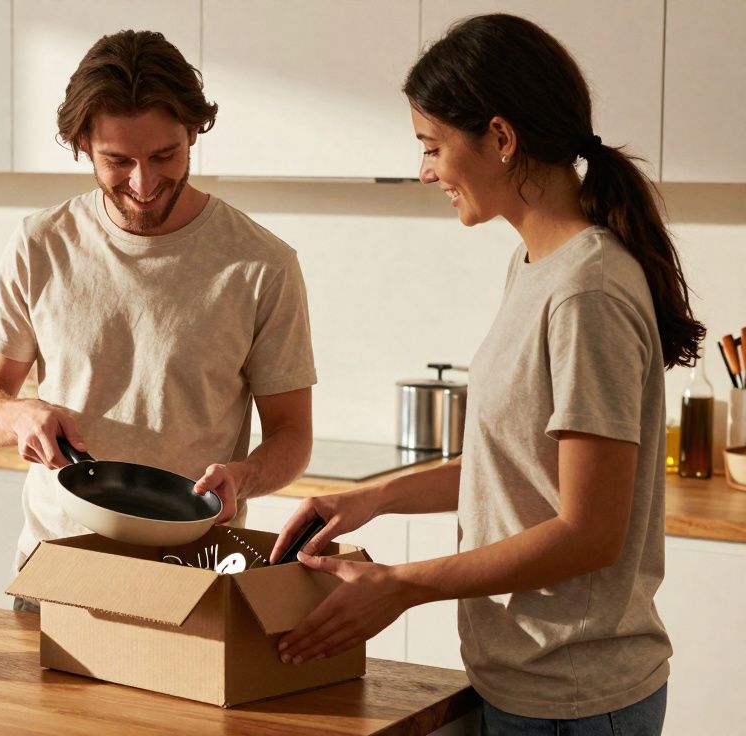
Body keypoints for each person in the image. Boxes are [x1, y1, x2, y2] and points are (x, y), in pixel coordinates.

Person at [270, 14, 702, 734]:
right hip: (527, 684)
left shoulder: (586, 292)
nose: (425, 171)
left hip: (574, 700)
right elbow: (519, 467)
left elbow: (589, 532)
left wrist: (402, 585)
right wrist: (375, 498)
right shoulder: (537, 267)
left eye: (432, 146)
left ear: (501, 139)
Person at [0, 30, 316, 613]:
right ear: (82, 144)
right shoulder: (40, 244)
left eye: (163, 156)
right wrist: (19, 414)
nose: (144, 185)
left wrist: (244, 477)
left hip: (192, 578)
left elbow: (292, 434)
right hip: (56, 573)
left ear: (193, 133)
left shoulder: (261, 264)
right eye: (117, 161)